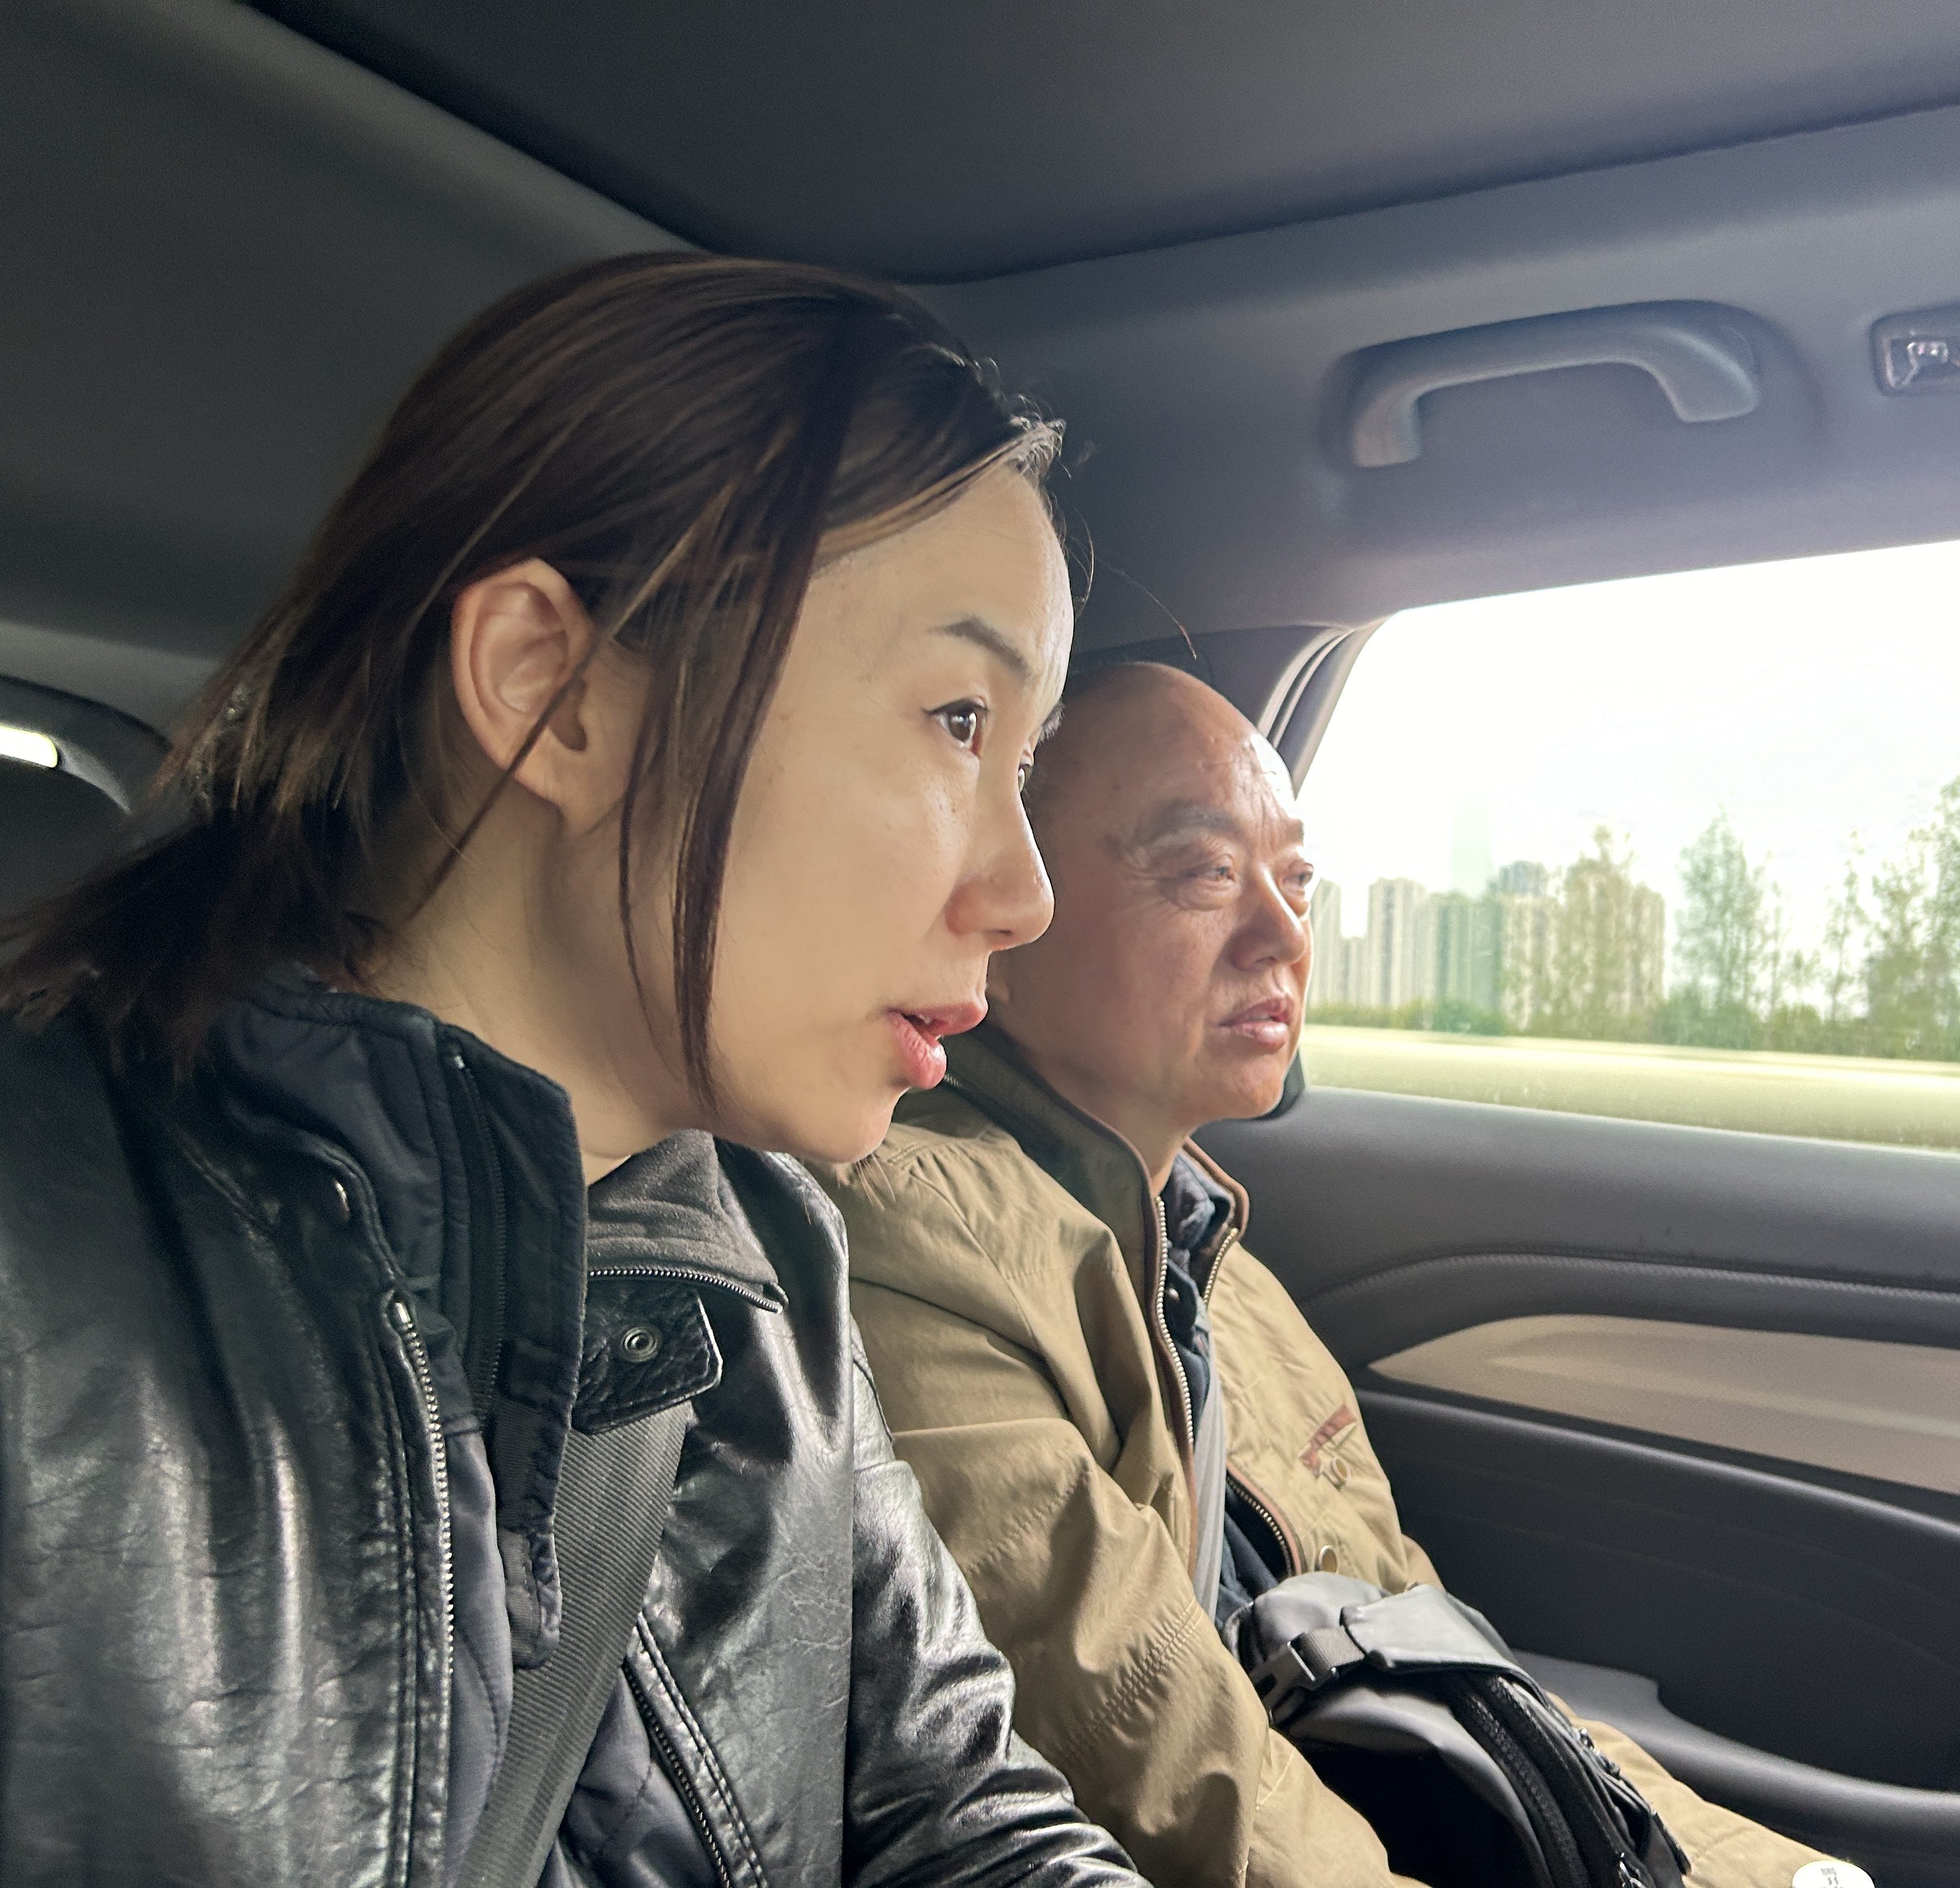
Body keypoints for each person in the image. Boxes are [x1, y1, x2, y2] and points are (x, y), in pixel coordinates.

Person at [0, 253, 1148, 1888]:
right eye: (959, 720)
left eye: (1022, 764)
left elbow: (956, 1818)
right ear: (550, 688)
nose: (1024, 892)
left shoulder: (769, 1275)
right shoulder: (39, 1288)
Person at [825, 661, 1841, 1888]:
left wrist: (1762, 1875)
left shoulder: (1221, 1269)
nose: (1285, 935)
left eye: (1295, 880)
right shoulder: (906, 1243)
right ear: (1004, 909)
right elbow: (1158, 1764)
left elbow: (1442, 1654)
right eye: (1204, 874)